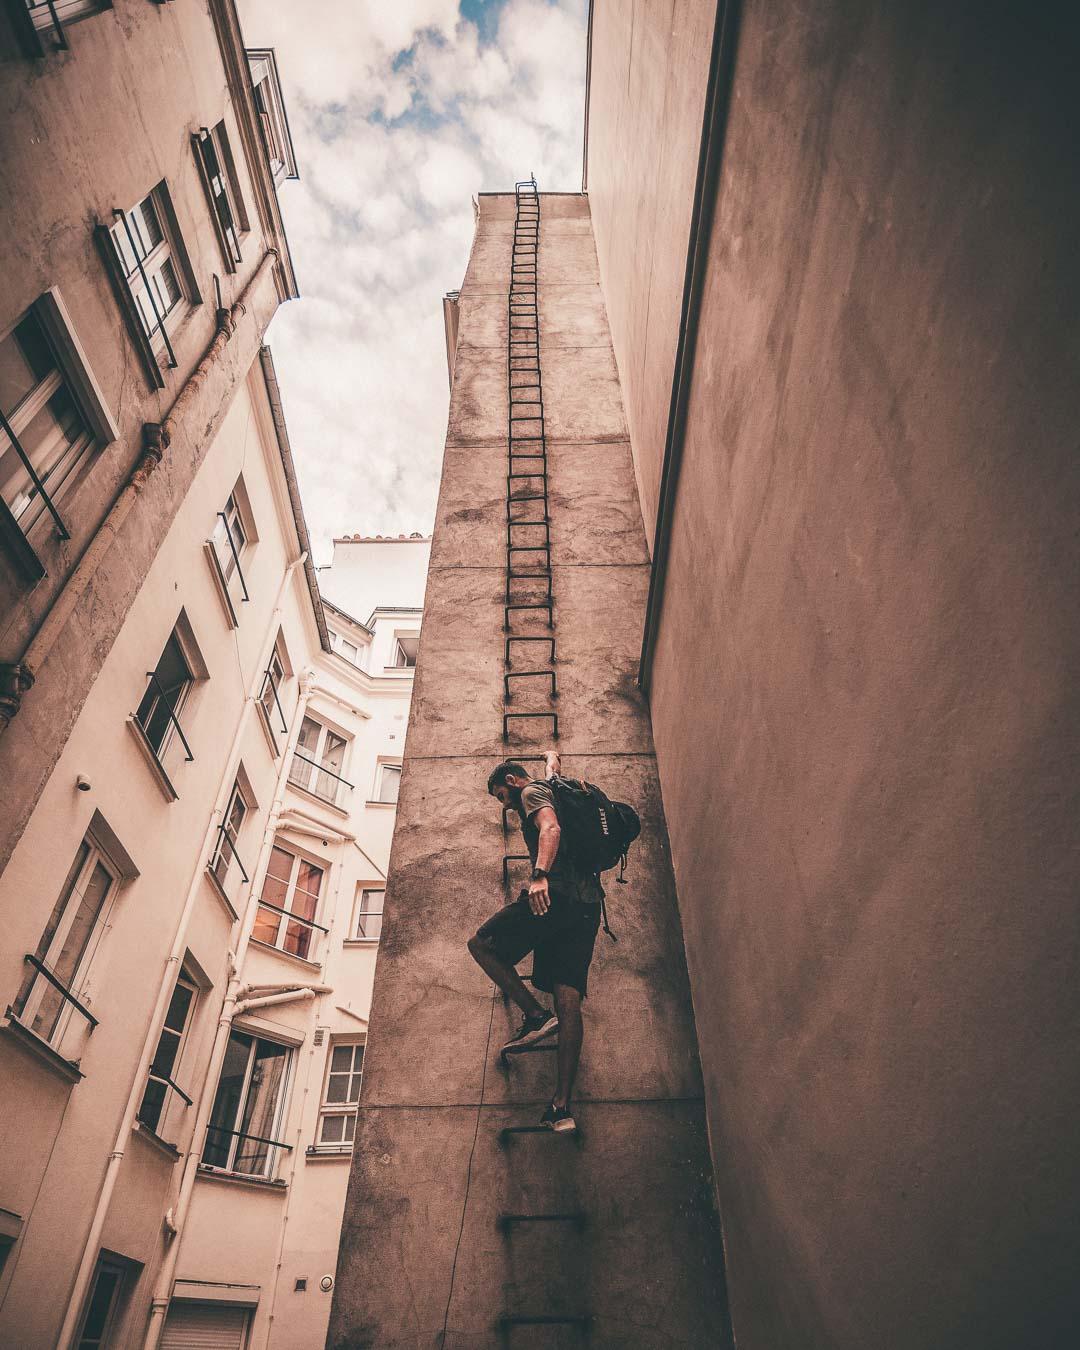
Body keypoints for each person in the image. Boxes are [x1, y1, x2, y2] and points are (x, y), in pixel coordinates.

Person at [467, 751, 603, 1134]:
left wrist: (540, 875)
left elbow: (550, 829)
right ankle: (561, 1106)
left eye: (500, 797)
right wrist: (552, 758)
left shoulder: (529, 795)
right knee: (569, 998)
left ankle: (535, 1017)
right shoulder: (553, 786)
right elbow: (551, 775)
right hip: (587, 908)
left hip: (554, 898)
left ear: (511, 782)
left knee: (481, 945)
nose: (505, 807)